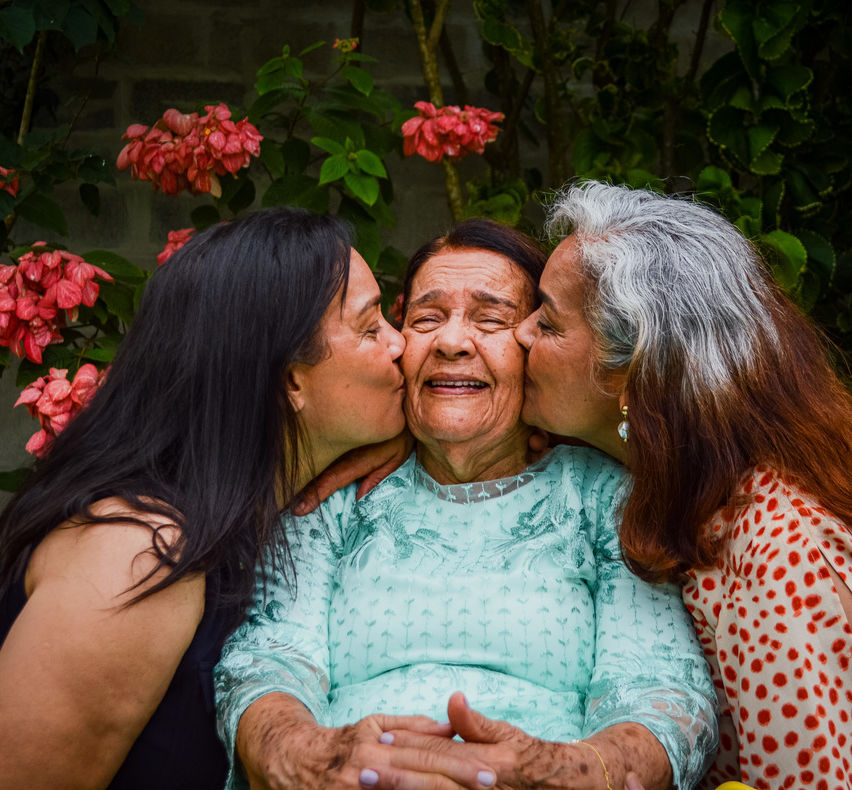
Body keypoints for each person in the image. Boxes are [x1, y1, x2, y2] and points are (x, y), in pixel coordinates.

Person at [511, 181, 852, 790]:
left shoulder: (779, 557)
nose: (518, 334)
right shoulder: (690, 476)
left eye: (547, 322)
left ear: (634, 373)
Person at [0, 208, 417, 790]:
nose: (399, 342)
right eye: (370, 326)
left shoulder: (242, 514)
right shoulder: (136, 557)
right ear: (289, 382)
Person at [215, 219, 718, 790]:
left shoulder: (601, 498)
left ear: (536, 345)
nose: (452, 342)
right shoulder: (334, 495)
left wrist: (572, 770)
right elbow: (268, 659)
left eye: (491, 320)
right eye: (426, 319)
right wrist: (306, 755)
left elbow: (660, 687)